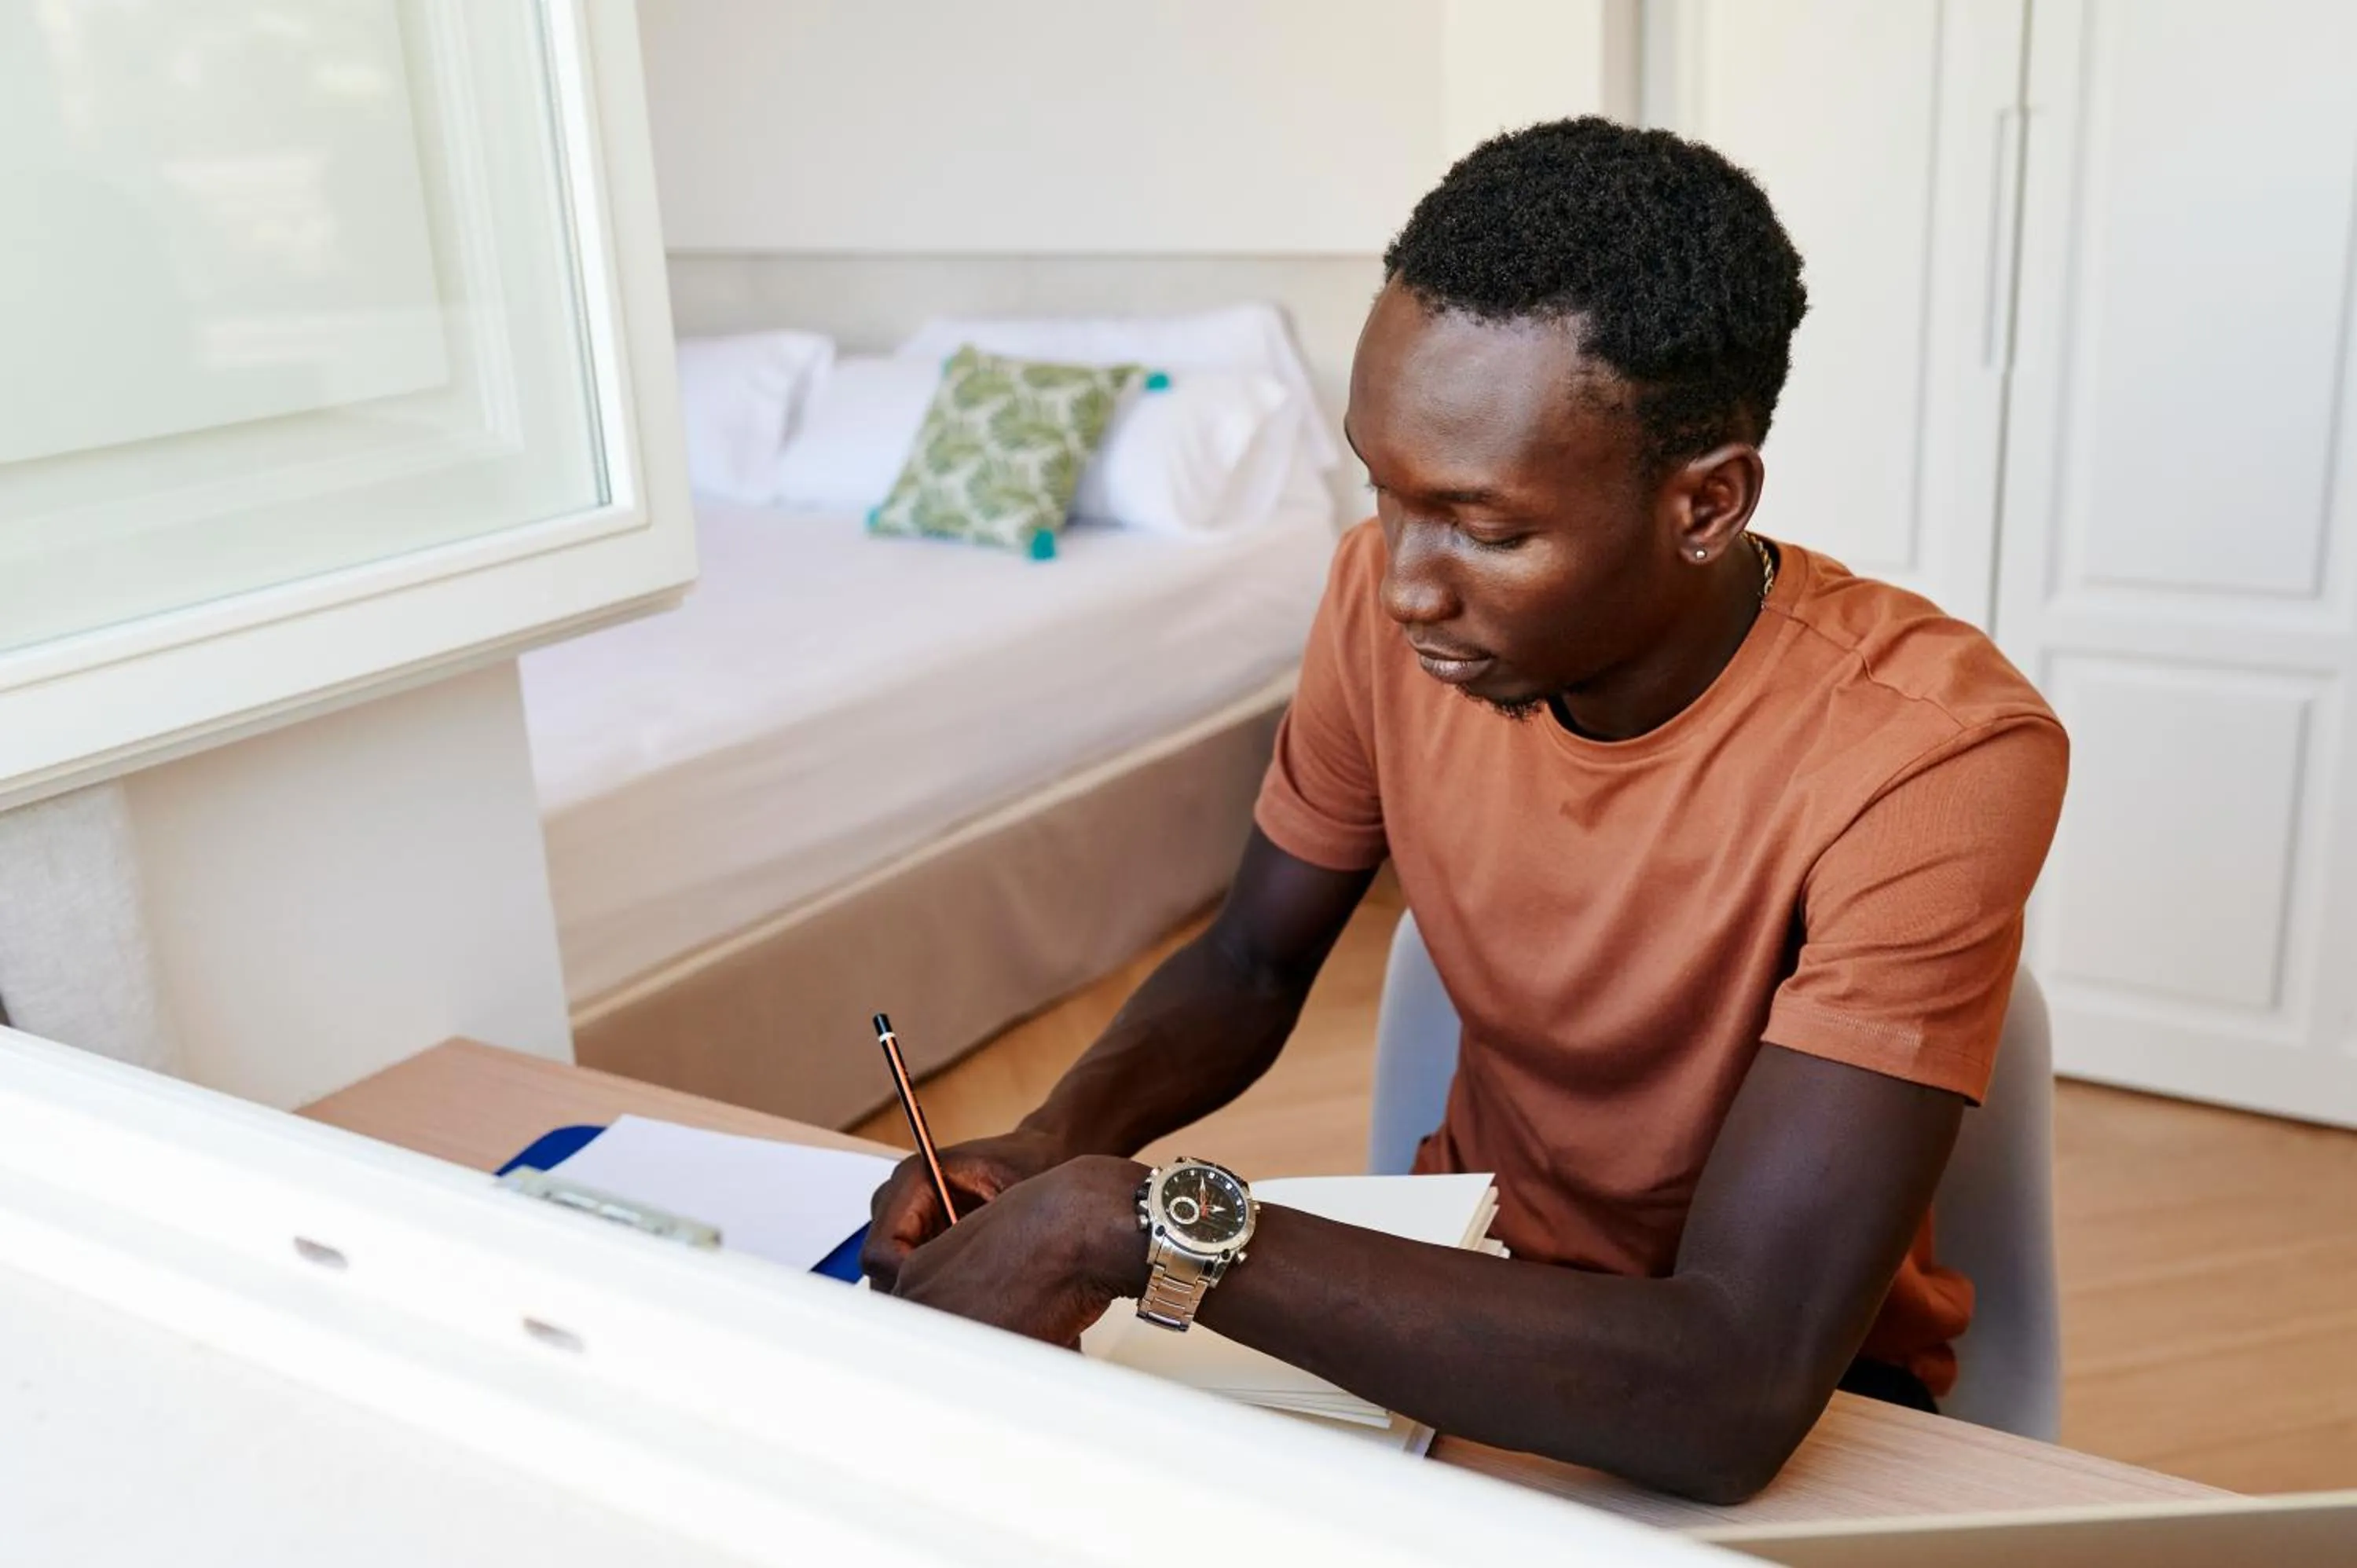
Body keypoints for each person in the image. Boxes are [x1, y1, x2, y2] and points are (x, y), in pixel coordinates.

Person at [861, 117, 2068, 1504]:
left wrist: (1135, 1227)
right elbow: (1250, 963)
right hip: (1463, 1278)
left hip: (1771, 1391)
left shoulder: (1934, 754)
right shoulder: (1384, 610)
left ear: (1707, 505)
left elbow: (1731, 1388)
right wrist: (1056, 1138)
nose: (1404, 587)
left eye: (1486, 530)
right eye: (1385, 493)